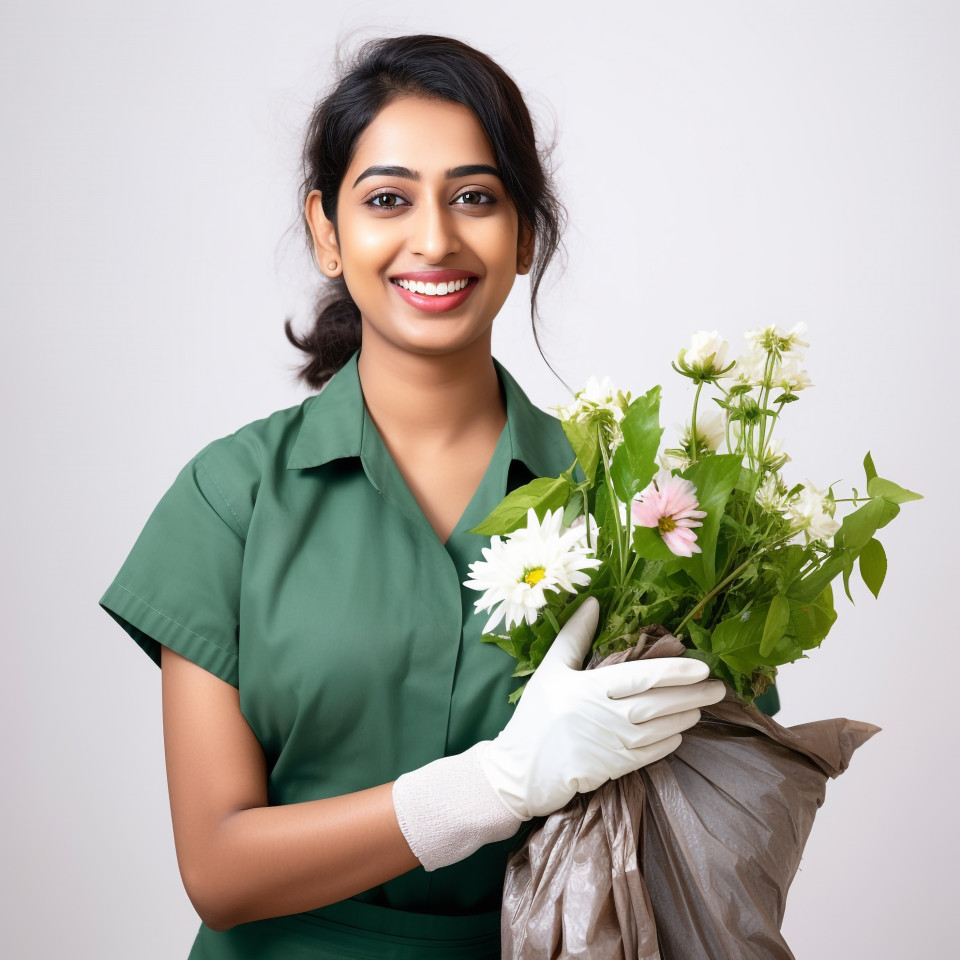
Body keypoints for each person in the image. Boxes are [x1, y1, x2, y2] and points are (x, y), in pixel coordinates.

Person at [99, 35, 725, 959]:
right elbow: (220, 871)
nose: (433, 238)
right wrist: (498, 785)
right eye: (387, 199)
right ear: (326, 230)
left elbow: (708, 813)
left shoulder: (633, 510)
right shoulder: (229, 500)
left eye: (475, 197)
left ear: (526, 235)